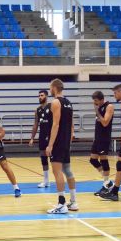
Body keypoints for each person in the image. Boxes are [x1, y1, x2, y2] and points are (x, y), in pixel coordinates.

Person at [46, 79, 78, 214]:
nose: (49, 90)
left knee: (57, 171)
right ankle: (74, 202)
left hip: (58, 141)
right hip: (65, 141)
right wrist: (69, 141)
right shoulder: (68, 103)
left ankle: (61, 204)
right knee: (68, 171)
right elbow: (71, 125)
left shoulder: (55, 102)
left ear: (54, 88)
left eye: (50, 87)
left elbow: (56, 124)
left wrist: (50, 144)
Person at [89, 91, 114, 196]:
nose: (95, 103)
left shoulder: (109, 106)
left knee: (103, 160)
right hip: (98, 138)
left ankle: (106, 185)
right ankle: (108, 183)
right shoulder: (99, 107)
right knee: (93, 160)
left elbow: (105, 123)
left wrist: (97, 112)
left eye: (96, 101)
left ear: (101, 99)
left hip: (104, 138)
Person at [29, 90, 52, 188]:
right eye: (39, 95)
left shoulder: (52, 107)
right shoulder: (37, 110)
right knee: (43, 157)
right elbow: (35, 125)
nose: (40, 97)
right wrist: (32, 138)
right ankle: (46, 181)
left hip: (52, 136)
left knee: (54, 158)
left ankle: (60, 179)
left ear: (46, 96)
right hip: (42, 136)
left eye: (42, 95)